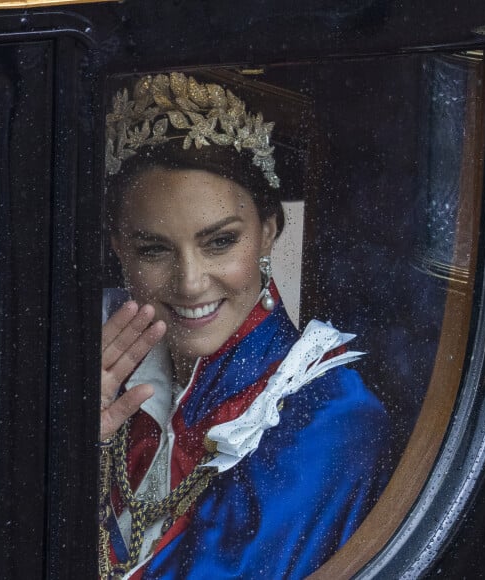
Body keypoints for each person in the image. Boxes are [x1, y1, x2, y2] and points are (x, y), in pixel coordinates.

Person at [99, 72, 389, 580]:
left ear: (268, 232)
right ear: (119, 250)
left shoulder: (330, 415)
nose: (190, 284)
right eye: (154, 249)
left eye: (219, 242)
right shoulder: (104, 369)